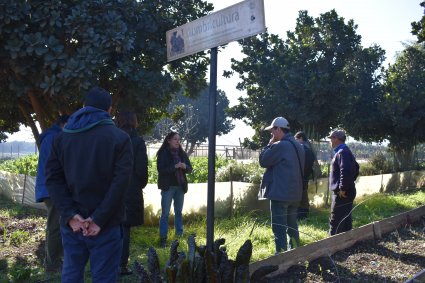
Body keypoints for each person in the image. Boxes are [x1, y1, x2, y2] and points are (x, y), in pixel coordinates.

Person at [45, 87, 133, 283]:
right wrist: (98, 219)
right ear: (109, 110)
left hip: (72, 225)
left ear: (84, 107)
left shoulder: (62, 138)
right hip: (107, 225)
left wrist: (70, 215)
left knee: (71, 275)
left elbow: (52, 179)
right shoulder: (119, 138)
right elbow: (120, 184)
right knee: (104, 278)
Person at [258, 117, 305, 254]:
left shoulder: (281, 145)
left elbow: (263, 161)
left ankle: (281, 256)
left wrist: (268, 145)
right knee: (292, 226)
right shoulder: (298, 145)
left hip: (281, 194)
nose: (271, 135)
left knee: (279, 227)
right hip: (295, 194)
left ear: (278, 129)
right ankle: (295, 253)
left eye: (272, 132)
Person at [115, 111, 148, 276]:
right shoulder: (137, 141)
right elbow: (142, 169)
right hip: (130, 188)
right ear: (134, 122)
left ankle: (108, 263)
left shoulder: (111, 138)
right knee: (125, 227)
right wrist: (139, 185)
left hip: (111, 187)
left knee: (111, 225)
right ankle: (121, 265)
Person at [35, 114, 69, 273]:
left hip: (50, 188)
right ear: (64, 124)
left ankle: (56, 260)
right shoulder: (54, 138)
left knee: (58, 224)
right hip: (52, 189)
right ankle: (52, 263)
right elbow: (53, 168)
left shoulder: (50, 137)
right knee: (55, 225)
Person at [156, 131, 192, 247]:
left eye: (179, 139)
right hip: (168, 187)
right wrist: (175, 167)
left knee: (179, 212)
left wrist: (185, 166)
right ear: (169, 140)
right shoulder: (163, 153)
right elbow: (161, 170)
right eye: (175, 139)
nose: (178, 141)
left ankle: (179, 236)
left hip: (180, 187)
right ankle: (163, 238)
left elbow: (190, 168)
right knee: (165, 213)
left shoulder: (182, 153)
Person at [328, 129, 358, 235]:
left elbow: (346, 170)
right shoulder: (345, 151)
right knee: (345, 222)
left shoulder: (342, 152)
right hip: (347, 191)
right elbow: (356, 167)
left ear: (337, 139)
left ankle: (330, 248)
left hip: (343, 193)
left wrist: (343, 188)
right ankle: (346, 247)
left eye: (331, 138)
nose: (330, 141)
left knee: (335, 222)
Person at [294, 131, 317, 220]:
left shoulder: (303, 148)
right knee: (303, 195)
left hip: (301, 176)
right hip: (305, 176)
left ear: (301, 138)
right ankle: (304, 214)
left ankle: (301, 215)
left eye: (296, 139)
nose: (295, 141)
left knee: (301, 196)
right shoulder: (308, 147)